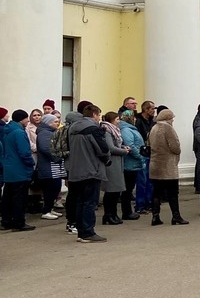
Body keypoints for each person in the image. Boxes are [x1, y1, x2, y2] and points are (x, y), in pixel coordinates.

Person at [68, 104, 111, 243]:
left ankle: (81, 232)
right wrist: (107, 159)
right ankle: (88, 232)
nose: (99, 118)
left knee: (80, 202)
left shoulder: (72, 128)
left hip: (76, 169)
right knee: (89, 203)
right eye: (99, 115)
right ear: (94, 114)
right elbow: (103, 150)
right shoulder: (93, 129)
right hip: (91, 169)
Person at [148, 109, 188, 226]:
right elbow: (175, 146)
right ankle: (176, 216)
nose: (173, 120)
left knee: (156, 192)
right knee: (173, 193)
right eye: (172, 118)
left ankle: (155, 217)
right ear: (167, 118)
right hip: (167, 165)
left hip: (155, 164)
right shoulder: (167, 128)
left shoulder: (154, 128)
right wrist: (178, 151)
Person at [0, 110, 36, 231]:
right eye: (26, 118)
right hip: (20, 169)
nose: (28, 120)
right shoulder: (19, 132)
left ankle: (6, 221)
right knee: (19, 198)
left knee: (8, 197)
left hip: (9, 168)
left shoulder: (7, 131)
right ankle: (19, 222)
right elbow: (24, 152)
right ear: (22, 119)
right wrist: (31, 163)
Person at [100, 112, 130, 225]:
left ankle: (113, 214)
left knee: (116, 191)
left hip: (117, 163)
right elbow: (110, 148)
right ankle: (108, 214)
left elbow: (116, 144)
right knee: (111, 191)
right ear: (112, 120)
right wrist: (124, 151)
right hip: (112, 163)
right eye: (117, 119)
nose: (119, 121)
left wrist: (123, 147)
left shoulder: (114, 130)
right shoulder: (107, 131)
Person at [35, 113, 65, 220]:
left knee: (55, 188)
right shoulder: (44, 133)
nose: (58, 123)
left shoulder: (50, 132)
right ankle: (46, 210)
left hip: (54, 166)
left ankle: (50, 208)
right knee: (50, 189)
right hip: (49, 167)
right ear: (48, 123)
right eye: (55, 122)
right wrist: (57, 157)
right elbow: (46, 148)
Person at [119, 110, 144, 220]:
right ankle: (127, 212)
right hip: (130, 163)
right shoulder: (126, 130)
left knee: (129, 188)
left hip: (133, 163)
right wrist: (140, 156)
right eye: (133, 117)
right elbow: (130, 145)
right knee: (127, 189)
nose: (135, 119)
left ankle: (128, 211)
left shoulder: (129, 129)